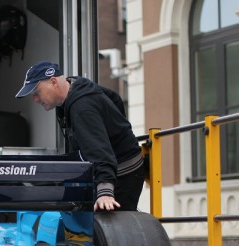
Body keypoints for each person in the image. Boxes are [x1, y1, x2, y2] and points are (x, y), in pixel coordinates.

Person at [15, 61, 144, 212]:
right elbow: (114, 97)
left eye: (37, 92)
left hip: (122, 174)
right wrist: (116, 129)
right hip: (110, 170)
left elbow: (98, 149)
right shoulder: (76, 91)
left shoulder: (82, 108)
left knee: (107, 223)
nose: (35, 99)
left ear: (54, 82)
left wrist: (105, 190)